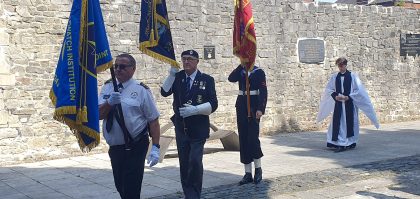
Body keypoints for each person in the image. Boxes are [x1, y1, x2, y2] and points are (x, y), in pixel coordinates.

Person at [98, 53, 161, 199]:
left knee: (131, 188)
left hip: (136, 145)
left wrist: (156, 147)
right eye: (116, 66)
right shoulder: (108, 87)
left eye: (123, 67)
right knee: (120, 185)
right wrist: (109, 103)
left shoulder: (141, 90)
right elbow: (99, 115)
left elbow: (153, 120)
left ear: (133, 69)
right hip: (115, 147)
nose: (118, 70)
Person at [161, 49, 218, 199]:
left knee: (195, 160)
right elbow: (164, 92)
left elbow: (214, 103)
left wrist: (196, 110)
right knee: (184, 162)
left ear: (197, 61)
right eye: (184, 59)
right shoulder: (178, 77)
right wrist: (171, 75)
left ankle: (195, 193)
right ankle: (189, 193)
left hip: (198, 128)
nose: (186, 62)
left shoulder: (207, 79)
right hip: (181, 128)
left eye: (190, 59)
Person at [317, 57, 379, 153]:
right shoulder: (334, 77)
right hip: (339, 105)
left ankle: (348, 143)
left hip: (349, 104)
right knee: (339, 123)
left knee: (348, 123)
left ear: (346, 65)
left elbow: (359, 91)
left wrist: (348, 97)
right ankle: (340, 143)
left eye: (342, 65)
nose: (340, 68)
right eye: (339, 66)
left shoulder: (353, 76)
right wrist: (335, 96)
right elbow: (329, 89)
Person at [228, 61, 267, 185]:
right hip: (242, 106)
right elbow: (231, 78)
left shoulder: (259, 72)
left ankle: (258, 169)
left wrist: (261, 108)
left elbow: (263, 91)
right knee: (243, 139)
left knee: (253, 138)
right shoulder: (241, 71)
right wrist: (240, 66)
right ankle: (247, 173)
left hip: (254, 106)